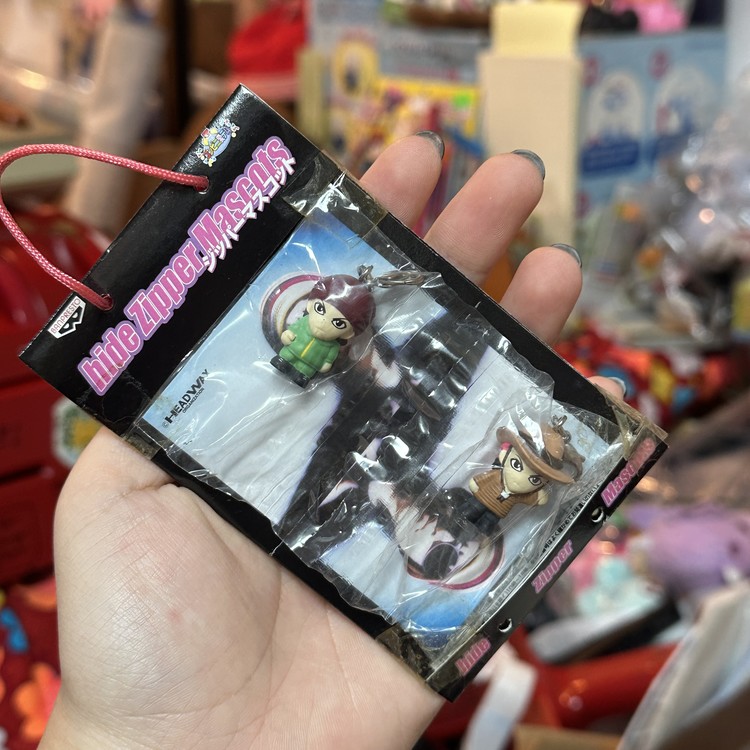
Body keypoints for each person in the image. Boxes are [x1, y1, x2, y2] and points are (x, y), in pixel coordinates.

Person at [39, 132, 623, 749]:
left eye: (436, 553)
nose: (436, 533)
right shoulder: (346, 483)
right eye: (450, 546)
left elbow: (452, 360)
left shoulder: (374, 491)